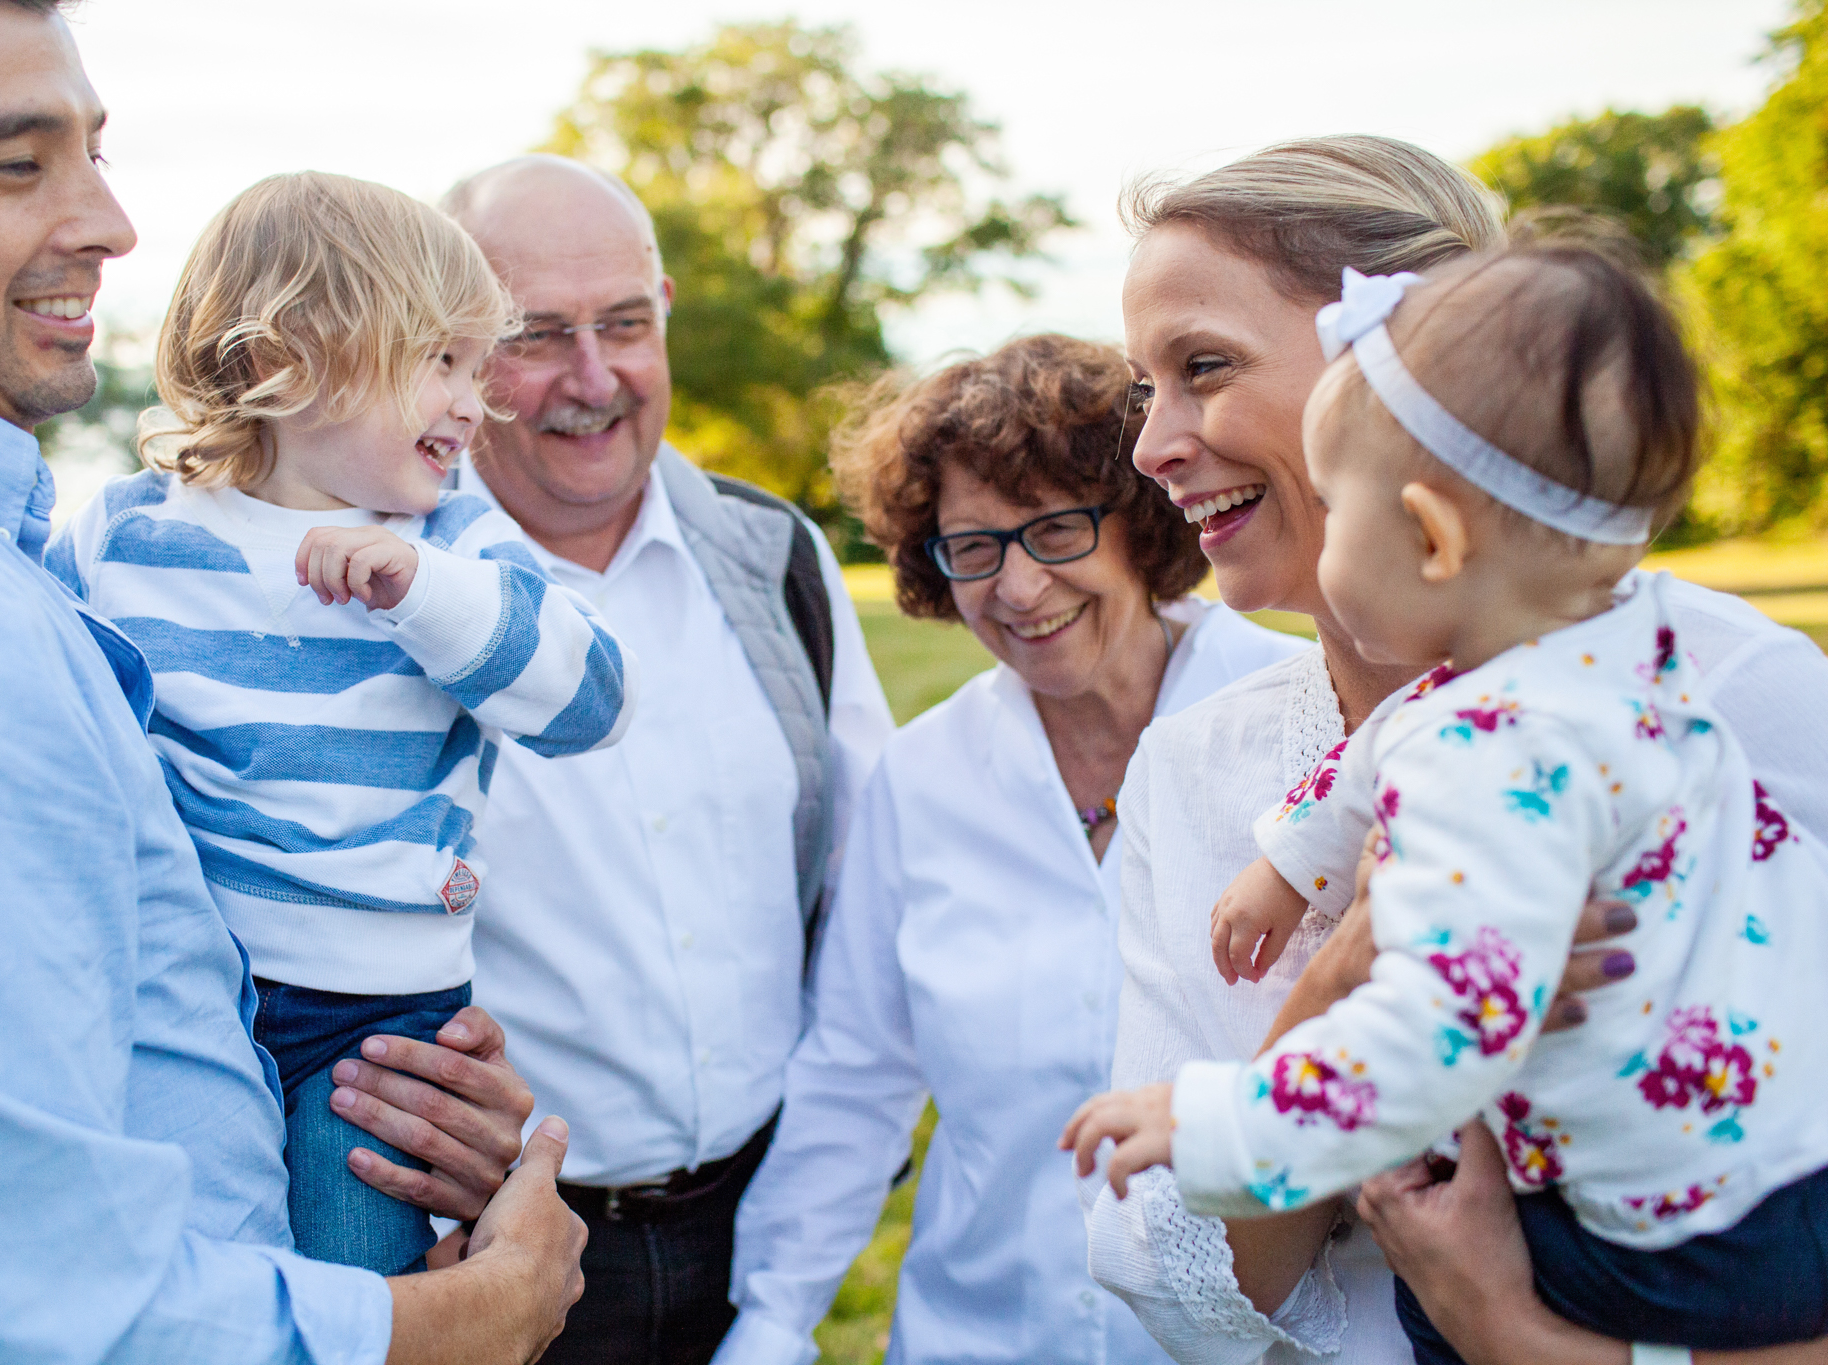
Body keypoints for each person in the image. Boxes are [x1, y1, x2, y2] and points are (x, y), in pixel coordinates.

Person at [0, 3, 583, 1359]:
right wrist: (459, 1325)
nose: (112, 222)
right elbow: (14, 1309)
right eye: (13, 163)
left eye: (95, 151)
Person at [1071, 134, 1828, 1365]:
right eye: (1142, 386)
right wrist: (1341, 973)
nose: (1151, 445)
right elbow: (1178, 1287)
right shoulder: (1196, 765)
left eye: (1200, 368)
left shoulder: (1739, 695)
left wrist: (1509, 1333)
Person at [49, 170, 635, 1276]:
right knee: (177, 1280)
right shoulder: (121, 539)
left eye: (476, 363)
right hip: (178, 996)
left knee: (355, 1291)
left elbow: (591, 704)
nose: (475, 399)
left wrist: (424, 593)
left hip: (377, 1028)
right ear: (285, 363)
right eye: (438, 361)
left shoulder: (456, 548)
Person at [710, 335, 1305, 1365]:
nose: (1019, 589)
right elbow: (855, 1080)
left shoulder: (1298, 724)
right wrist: (769, 1324)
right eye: (973, 547)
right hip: (977, 1337)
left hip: (1260, 1343)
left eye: (1054, 530)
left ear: (1138, 523)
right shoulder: (924, 775)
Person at [436, 153, 895, 1363]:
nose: (594, 380)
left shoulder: (775, 555)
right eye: (536, 336)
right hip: (497, 1257)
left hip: (756, 1233)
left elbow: (866, 883)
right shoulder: (377, 592)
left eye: (624, 325)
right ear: (451, 349)